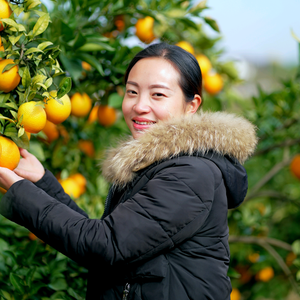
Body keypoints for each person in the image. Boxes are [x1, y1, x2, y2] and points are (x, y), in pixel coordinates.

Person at [0, 42, 257, 299]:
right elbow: (109, 239)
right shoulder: (157, 166)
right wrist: (41, 182)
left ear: (191, 106)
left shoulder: (191, 174)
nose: (139, 106)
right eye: (132, 92)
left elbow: (104, 245)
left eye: (158, 95)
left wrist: (19, 191)